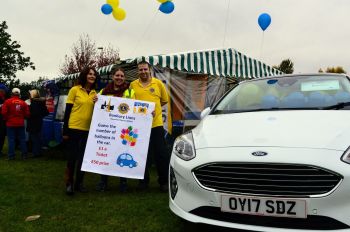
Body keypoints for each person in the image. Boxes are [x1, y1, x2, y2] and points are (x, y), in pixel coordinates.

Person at [130, 61, 169, 192]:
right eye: (140, 70)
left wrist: (154, 110)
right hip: (140, 126)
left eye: (145, 69)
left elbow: (164, 100)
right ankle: (143, 182)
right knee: (142, 155)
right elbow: (131, 103)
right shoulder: (132, 85)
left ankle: (163, 182)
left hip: (156, 124)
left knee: (161, 155)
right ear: (138, 71)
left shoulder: (158, 83)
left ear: (149, 69)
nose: (143, 72)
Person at [96, 66, 135, 193]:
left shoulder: (129, 92)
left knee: (122, 152)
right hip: (108, 128)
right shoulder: (103, 91)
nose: (119, 78)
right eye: (117, 75)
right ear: (113, 77)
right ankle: (103, 181)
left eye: (122, 76)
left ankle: (123, 182)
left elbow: (134, 109)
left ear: (124, 78)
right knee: (106, 155)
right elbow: (96, 104)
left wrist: (147, 113)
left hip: (123, 129)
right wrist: (94, 100)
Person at [63, 67, 99, 195]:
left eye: (94, 74)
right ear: (84, 75)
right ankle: (69, 183)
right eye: (89, 74)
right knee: (72, 158)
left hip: (88, 130)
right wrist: (65, 130)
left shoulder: (96, 94)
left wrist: (98, 102)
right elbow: (67, 111)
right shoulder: (74, 90)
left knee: (84, 158)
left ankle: (79, 183)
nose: (92, 76)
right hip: (73, 128)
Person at [1, 88, 30, 160]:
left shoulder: (7, 101)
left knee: (11, 140)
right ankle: (24, 155)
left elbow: (3, 113)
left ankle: (11, 156)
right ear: (19, 94)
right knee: (22, 139)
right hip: (20, 123)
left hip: (10, 124)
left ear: (12, 94)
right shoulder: (23, 102)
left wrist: (6, 119)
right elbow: (27, 114)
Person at [26, 89, 49, 157]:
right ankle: (38, 152)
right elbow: (46, 112)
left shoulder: (33, 103)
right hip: (39, 122)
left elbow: (31, 114)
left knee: (34, 138)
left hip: (32, 123)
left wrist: (28, 115)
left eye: (30, 95)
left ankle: (36, 153)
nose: (29, 96)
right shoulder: (41, 102)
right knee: (38, 138)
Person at [0, 84, 8, 157]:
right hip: (1, 120)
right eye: (4, 91)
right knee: (1, 135)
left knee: (2, 135)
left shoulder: (3, 98)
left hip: (2, 119)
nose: (5, 92)